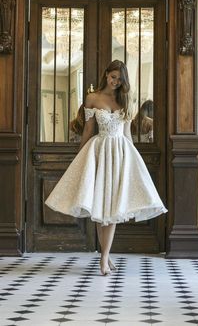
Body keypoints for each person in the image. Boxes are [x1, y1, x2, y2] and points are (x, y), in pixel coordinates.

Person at [45, 60, 167, 275]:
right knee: (100, 207)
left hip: (120, 153)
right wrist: (80, 157)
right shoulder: (92, 98)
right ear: (106, 74)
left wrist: (132, 160)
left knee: (111, 209)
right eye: (113, 77)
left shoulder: (126, 99)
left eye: (120, 80)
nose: (116, 82)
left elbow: (127, 134)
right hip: (99, 152)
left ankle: (104, 257)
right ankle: (105, 257)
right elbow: (88, 130)